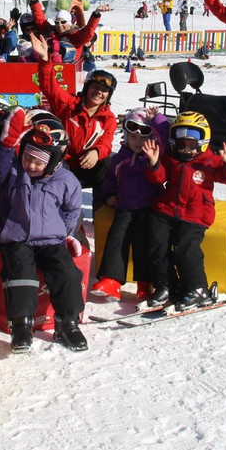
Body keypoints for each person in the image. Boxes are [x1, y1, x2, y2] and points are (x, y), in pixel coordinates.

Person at [0, 108, 86, 354]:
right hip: (17, 238)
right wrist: (7, 144)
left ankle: (68, 323)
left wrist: (66, 234)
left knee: (67, 272)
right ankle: (21, 325)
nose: (31, 165)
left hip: (51, 240)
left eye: (39, 161)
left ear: (54, 161)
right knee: (20, 271)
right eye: (28, 157)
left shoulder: (66, 181)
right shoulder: (14, 172)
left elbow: (72, 211)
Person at [141, 112, 226, 310]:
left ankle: (197, 289)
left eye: (191, 144)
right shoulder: (170, 159)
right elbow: (158, 178)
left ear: (202, 142)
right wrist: (154, 163)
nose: (186, 149)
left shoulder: (209, 161)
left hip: (196, 214)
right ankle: (166, 285)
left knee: (185, 248)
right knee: (156, 243)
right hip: (168, 209)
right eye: (181, 144)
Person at [90, 107, 169, 303]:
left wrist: (157, 119)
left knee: (143, 241)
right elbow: (110, 179)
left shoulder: (153, 156)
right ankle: (111, 280)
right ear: (126, 136)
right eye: (133, 137)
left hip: (148, 207)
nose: (137, 142)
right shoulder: (120, 158)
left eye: (143, 138)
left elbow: (165, 139)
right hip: (125, 207)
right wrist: (109, 194)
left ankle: (144, 283)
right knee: (117, 237)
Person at [29, 33, 117, 199]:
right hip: (62, 163)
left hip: (86, 164)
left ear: (108, 95)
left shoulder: (108, 118)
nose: (98, 92)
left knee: (107, 162)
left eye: (104, 90)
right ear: (87, 88)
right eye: (95, 87)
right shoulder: (68, 103)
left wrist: (96, 152)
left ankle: (101, 206)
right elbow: (49, 86)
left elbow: (106, 143)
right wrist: (45, 59)